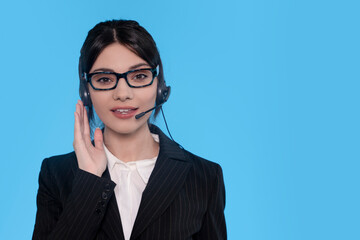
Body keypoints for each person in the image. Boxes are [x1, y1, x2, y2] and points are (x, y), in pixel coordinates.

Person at [32, 19, 226, 240]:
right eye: (104, 79)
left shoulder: (204, 177)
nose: (122, 93)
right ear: (86, 91)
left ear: (159, 86)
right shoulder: (56, 174)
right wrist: (89, 181)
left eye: (139, 76)